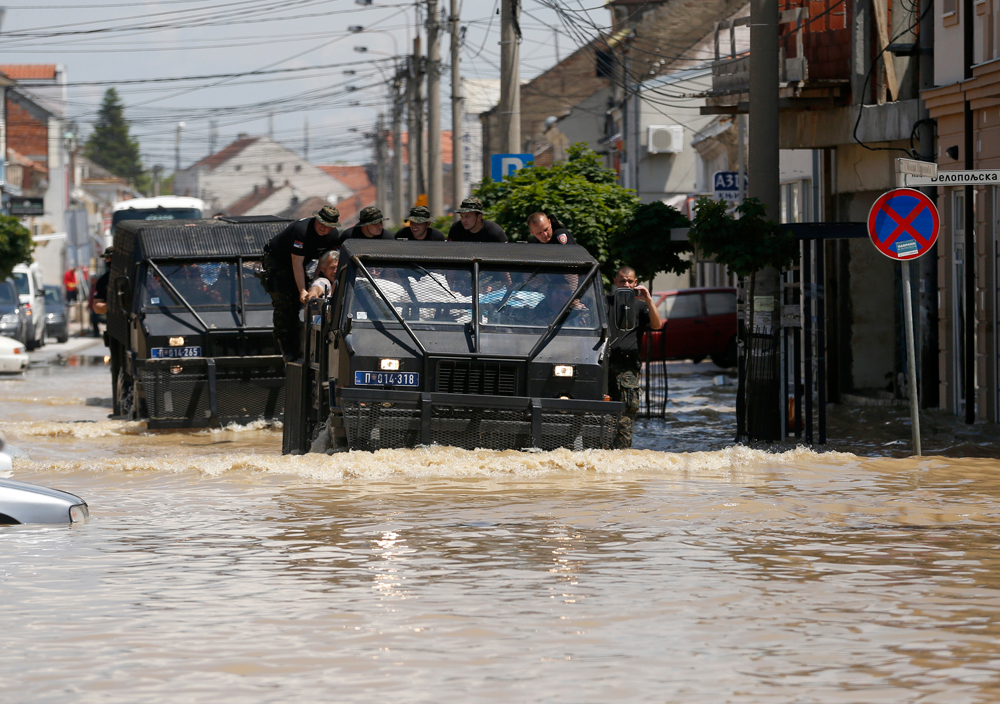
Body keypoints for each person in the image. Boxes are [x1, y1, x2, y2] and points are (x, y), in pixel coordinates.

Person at [261, 205, 340, 361]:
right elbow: (296, 263)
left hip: (301, 263)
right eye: (321, 223)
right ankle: (286, 345)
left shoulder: (333, 235)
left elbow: (323, 262)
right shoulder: (301, 230)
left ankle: (300, 343)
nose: (323, 228)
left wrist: (316, 281)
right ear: (316, 219)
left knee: (301, 302)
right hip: (278, 261)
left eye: (328, 226)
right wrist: (302, 290)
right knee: (285, 300)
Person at [607, 265, 663, 449]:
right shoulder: (605, 302)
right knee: (602, 413)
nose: (626, 284)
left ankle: (622, 454)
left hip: (627, 367)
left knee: (626, 415)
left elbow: (657, 325)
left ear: (635, 282)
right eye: (622, 281)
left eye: (630, 281)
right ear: (615, 282)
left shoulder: (640, 306)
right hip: (604, 365)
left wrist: (648, 299)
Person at [91, 247, 114, 337]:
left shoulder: (133, 275)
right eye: (107, 258)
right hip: (114, 326)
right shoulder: (103, 280)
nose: (109, 260)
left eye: (111, 257)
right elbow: (96, 306)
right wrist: (112, 307)